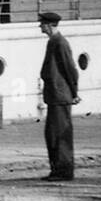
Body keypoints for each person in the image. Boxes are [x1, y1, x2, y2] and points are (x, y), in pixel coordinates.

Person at [38, 11, 81, 181]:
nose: (40, 26)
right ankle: (57, 170)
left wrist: (74, 92)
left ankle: (63, 171)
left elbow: (70, 69)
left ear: (49, 25)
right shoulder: (53, 42)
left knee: (60, 133)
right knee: (52, 134)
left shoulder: (60, 43)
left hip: (60, 95)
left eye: (42, 24)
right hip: (55, 94)